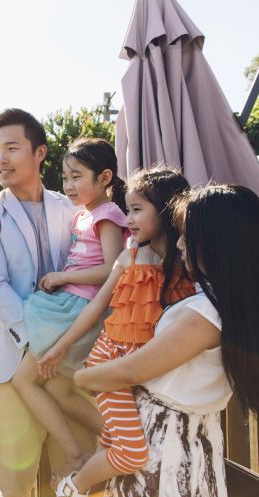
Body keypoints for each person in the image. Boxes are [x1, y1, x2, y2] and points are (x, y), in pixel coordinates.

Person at [74, 184, 259, 497]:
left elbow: (132, 371)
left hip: (166, 442)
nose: (181, 242)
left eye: (188, 233)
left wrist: (83, 376)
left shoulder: (206, 313)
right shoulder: (225, 302)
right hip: (188, 438)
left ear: (216, 242)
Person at [37, 166, 196, 497]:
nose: (129, 219)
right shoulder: (129, 257)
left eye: (137, 209)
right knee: (132, 452)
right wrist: (61, 346)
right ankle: (73, 487)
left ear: (166, 210)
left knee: (112, 442)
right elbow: (96, 308)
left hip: (140, 375)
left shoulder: (187, 264)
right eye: (127, 209)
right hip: (109, 369)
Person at [0, 108, 97, 497]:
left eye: (11, 148)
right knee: (13, 481)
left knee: (82, 474)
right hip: (12, 363)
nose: (0, 159)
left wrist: (62, 346)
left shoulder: (73, 206)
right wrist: (38, 344)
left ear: (39, 152)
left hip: (72, 362)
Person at [11, 138, 129, 485]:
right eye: (64, 178)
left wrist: (64, 276)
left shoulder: (108, 214)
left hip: (76, 309)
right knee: (59, 390)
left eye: (76, 176)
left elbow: (112, 269)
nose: (68, 185)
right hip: (69, 305)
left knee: (23, 379)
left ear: (105, 177)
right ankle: (117, 441)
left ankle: (79, 453)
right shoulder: (84, 214)